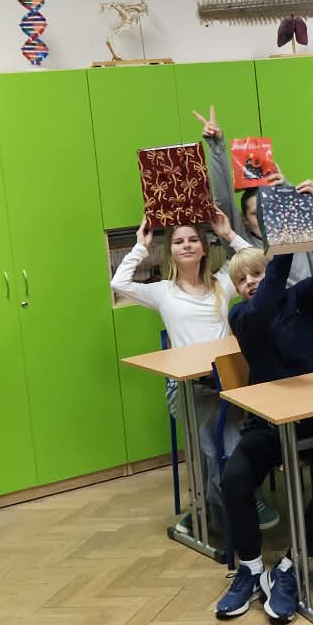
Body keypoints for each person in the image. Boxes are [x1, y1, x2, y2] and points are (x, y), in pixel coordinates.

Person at [213, 181, 313, 625]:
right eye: (242, 280)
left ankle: (292, 563)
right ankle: (251, 568)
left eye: (256, 273)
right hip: (268, 424)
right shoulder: (242, 316)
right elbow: (266, 303)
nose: (251, 283)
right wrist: (284, 246)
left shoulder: (301, 299)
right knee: (234, 480)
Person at [111, 206, 252, 521]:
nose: (186, 245)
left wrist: (228, 234)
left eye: (193, 240)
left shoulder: (222, 283)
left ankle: (217, 508)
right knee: (223, 441)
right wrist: (141, 246)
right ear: (171, 252)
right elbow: (119, 283)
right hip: (187, 389)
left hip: (227, 382)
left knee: (223, 443)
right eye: (178, 242)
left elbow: (257, 263)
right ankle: (236, 506)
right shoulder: (163, 292)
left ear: (204, 248)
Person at [194, 106, 313, 288]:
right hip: (272, 308)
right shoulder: (241, 241)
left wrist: (286, 187)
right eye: (256, 213)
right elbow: (224, 201)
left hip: (312, 306)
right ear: (245, 221)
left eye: (270, 210)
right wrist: (216, 147)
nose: (264, 218)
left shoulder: (296, 231)